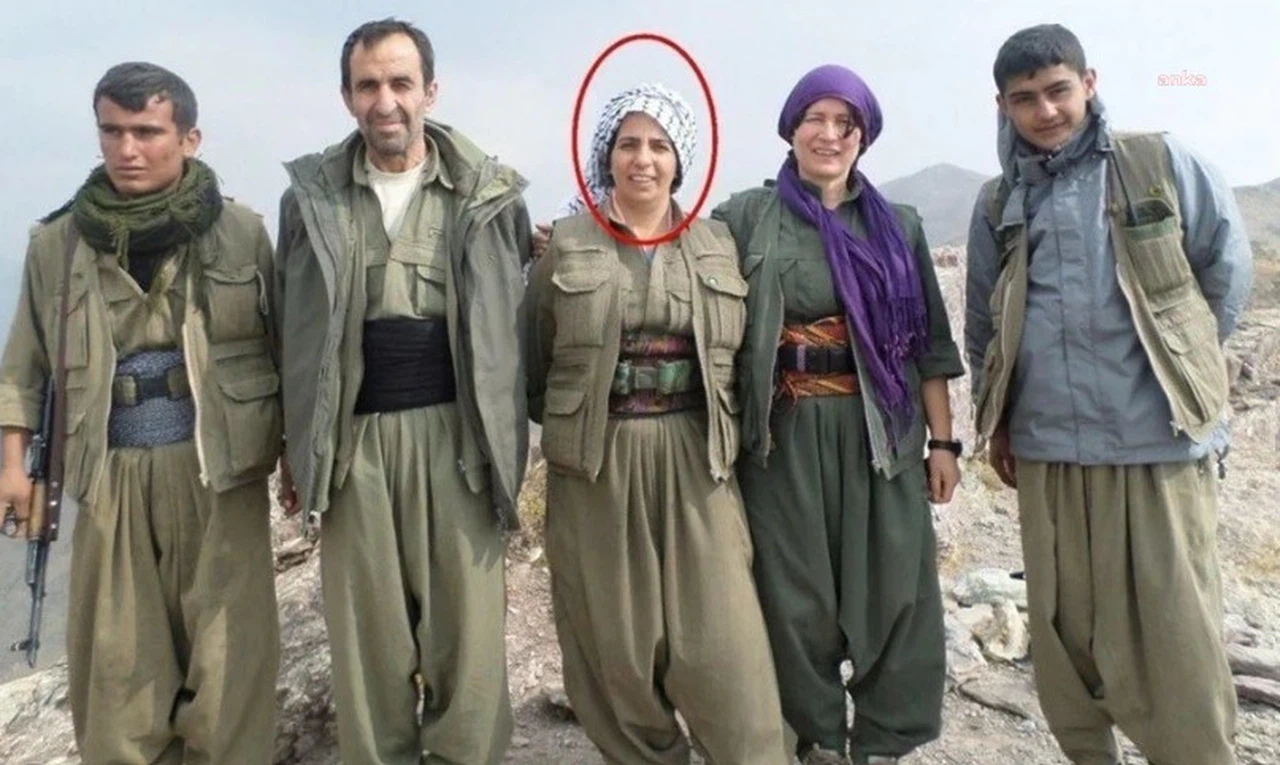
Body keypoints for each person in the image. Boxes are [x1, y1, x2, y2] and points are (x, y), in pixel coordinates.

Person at [965, 23, 1253, 765]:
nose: (1046, 111)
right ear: (1003, 106)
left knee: (1176, 632)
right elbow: (983, 322)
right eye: (1025, 98)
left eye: (1058, 90)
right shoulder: (999, 202)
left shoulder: (1155, 162)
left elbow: (1224, 269)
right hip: (1049, 450)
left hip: (1156, 442)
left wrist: (1183, 365)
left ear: (1088, 84)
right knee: (1067, 636)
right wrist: (998, 423)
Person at [0, 62, 281, 764]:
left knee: (230, 665)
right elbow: (24, 367)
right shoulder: (57, 244)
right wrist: (13, 468)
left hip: (219, 470)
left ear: (189, 138)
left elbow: (287, 350)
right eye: (112, 131)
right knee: (120, 672)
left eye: (147, 132)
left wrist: (297, 458)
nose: (127, 149)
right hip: (109, 476)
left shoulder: (241, 232)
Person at [273, 17, 531, 765]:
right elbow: (291, 329)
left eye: (400, 83)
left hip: (459, 443)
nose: (384, 102)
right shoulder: (310, 201)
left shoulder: (487, 194)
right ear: (347, 97)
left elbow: (512, 325)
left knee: (468, 650)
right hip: (355, 449)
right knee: (370, 653)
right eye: (367, 86)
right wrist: (297, 448)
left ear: (430, 91)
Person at [526, 82, 790, 765]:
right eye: (628, 144)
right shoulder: (566, 245)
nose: (643, 159)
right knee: (615, 647)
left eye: (659, 146)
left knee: (727, 650)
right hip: (596, 467)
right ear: (606, 155)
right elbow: (533, 360)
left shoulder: (716, 242)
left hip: (696, 461)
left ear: (681, 160)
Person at [712, 65, 964, 765]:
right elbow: (674, 253)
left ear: (863, 137)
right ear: (791, 128)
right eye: (815, 119)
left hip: (880, 434)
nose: (829, 135)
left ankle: (884, 740)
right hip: (783, 436)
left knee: (894, 589)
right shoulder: (746, 217)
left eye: (845, 123)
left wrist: (944, 444)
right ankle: (815, 737)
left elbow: (930, 347)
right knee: (794, 596)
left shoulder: (898, 227)